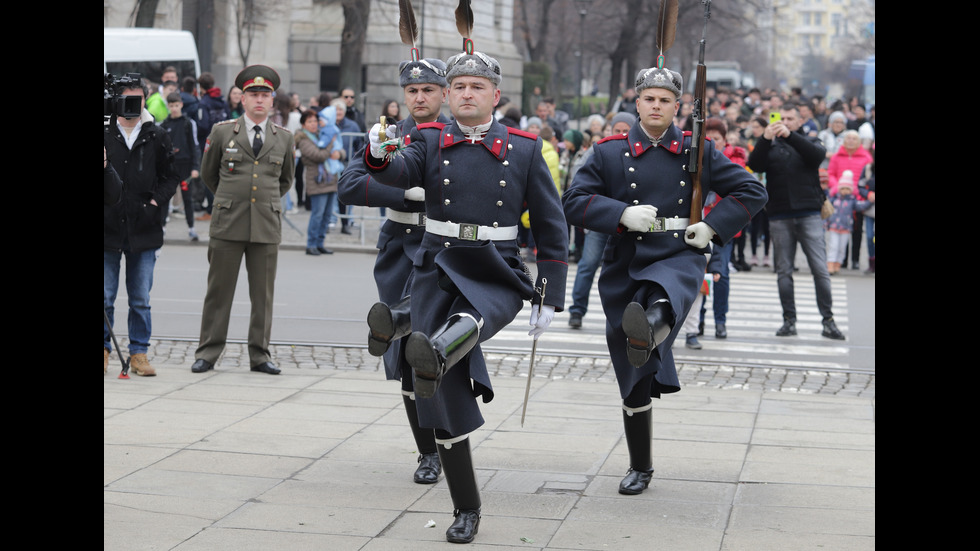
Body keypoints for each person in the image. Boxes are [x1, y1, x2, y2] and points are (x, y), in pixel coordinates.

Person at [360, 45, 568, 544]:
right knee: (441, 392)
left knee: (472, 319)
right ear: (448, 95)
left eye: (477, 86)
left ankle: (424, 336)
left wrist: (548, 292)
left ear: (496, 95)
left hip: (496, 269)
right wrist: (380, 149)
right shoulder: (428, 139)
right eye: (458, 87)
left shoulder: (523, 146)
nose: (466, 93)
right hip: (437, 265)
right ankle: (466, 508)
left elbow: (549, 223)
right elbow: (395, 174)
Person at [563, 64, 766, 496]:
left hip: (679, 253)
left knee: (661, 302)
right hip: (626, 257)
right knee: (631, 363)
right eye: (649, 99)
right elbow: (572, 200)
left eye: (665, 100)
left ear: (678, 107)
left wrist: (712, 226)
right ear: (636, 103)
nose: (656, 106)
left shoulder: (699, 150)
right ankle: (641, 464)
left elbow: (752, 191)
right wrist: (618, 213)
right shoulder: (607, 151)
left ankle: (651, 325)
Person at [339, 55, 452, 488]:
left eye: (428, 90)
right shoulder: (389, 136)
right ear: (403, 96)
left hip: (447, 251)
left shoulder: (458, 135)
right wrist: (405, 190)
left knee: (439, 351)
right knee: (405, 354)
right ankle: (428, 452)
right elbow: (349, 185)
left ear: (444, 92)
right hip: (402, 251)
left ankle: (449, 438)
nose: (420, 97)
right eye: (412, 91)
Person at [190, 65, 296, 375]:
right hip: (228, 221)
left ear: (272, 101)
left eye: (265, 95)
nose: (259, 100)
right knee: (218, 292)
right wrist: (228, 199)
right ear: (242, 99)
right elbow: (210, 174)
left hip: (265, 223)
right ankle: (208, 352)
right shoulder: (223, 132)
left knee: (262, 295)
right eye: (253, 95)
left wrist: (264, 201)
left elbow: (285, 180)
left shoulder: (285, 138)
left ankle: (260, 355)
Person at [747, 104, 844, 340]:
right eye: (783, 118)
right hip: (780, 214)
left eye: (791, 119)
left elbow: (817, 156)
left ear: (800, 121)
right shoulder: (769, 144)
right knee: (783, 272)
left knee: (820, 270)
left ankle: (828, 321)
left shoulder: (808, 141)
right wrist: (765, 138)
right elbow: (755, 164)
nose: (785, 122)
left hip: (809, 213)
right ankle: (789, 321)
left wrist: (789, 135)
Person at [104, 78, 179, 376]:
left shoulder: (157, 134)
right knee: (105, 296)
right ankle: (105, 350)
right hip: (107, 227)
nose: (134, 106)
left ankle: (139, 353)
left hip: (144, 227)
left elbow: (170, 176)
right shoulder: (106, 132)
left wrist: (155, 205)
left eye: (139, 99)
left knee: (140, 298)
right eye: (128, 100)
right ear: (116, 101)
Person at [567, 112, 635, 329]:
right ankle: (577, 310)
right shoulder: (600, 150)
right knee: (588, 264)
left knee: (630, 268)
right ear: (609, 130)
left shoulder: (638, 150)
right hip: (602, 220)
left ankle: (631, 315)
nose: (622, 134)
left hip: (631, 223)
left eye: (626, 131)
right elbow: (580, 185)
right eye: (617, 131)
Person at [296, 108, 344, 256]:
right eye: (309, 121)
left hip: (330, 179)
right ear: (303, 124)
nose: (313, 124)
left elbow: (340, 151)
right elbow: (318, 155)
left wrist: (339, 153)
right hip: (316, 181)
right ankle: (311, 244)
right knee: (317, 214)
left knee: (327, 215)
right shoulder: (303, 139)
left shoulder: (322, 134)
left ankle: (320, 243)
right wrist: (331, 145)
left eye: (315, 121)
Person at [160, 91, 201, 241]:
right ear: (168, 107)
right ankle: (162, 228)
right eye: (171, 106)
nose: (174, 108)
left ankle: (191, 229)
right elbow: (162, 149)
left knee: (187, 199)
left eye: (177, 105)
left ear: (181, 105)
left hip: (185, 166)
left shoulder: (188, 123)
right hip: (170, 167)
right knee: (165, 198)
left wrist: (195, 167)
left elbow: (194, 146)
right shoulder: (164, 125)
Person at [824, 170, 872, 275]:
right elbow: (827, 210)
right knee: (833, 246)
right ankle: (830, 263)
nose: (845, 191)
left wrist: (869, 202)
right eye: (843, 188)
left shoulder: (852, 200)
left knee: (842, 248)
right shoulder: (834, 199)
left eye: (847, 188)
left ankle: (838, 263)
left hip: (846, 228)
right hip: (834, 226)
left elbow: (861, 206)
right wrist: (825, 221)